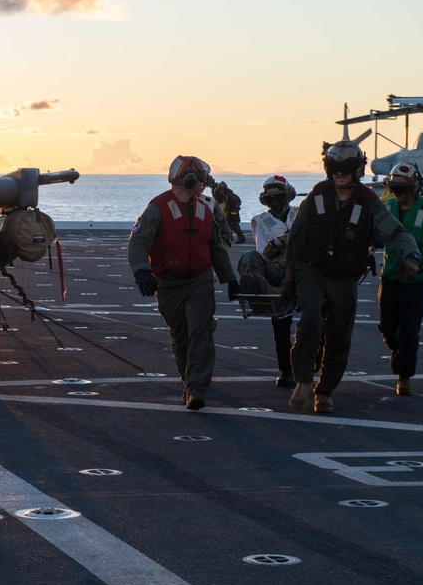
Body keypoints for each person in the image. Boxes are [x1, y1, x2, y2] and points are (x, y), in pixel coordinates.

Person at [283, 140, 421, 414]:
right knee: (310, 321)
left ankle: (325, 391)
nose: (340, 174)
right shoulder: (317, 194)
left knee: (339, 334)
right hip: (312, 270)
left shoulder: (369, 202)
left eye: (346, 169)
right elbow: (297, 234)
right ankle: (303, 382)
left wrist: (410, 256)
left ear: (357, 170)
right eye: (336, 169)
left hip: (344, 277)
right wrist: (289, 276)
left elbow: (394, 232)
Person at [128, 155, 240, 410]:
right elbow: (138, 241)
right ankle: (188, 382)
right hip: (168, 283)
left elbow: (215, 247)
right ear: (191, 180)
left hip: (200, 280)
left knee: (200, 332)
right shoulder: (157, 208)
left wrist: (230, 279)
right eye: (202, 180)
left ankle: (197, 388)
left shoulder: (205, 209)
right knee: (180, 337)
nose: (204, 185)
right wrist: (142, 272)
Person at [377, 162, 423, 395]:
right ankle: (397, 349)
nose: (397, 194)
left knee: (409, 331)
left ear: (414, 188)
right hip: (391, 277)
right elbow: (373, 234)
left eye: (401, 189)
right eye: (393, 188)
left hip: (418, 281)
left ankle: (404, 377)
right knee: (388, 328)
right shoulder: (387, 207)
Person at [237, 175, 298, 387]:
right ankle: (287, 370)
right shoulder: (260, 221)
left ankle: (274, 290)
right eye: (270, 197)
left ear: (288, 195)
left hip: (302, 268)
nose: (275, 201)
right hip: (277, 268)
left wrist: (282, 241)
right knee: (248, 258)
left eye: (278, 196)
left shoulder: (301, 214)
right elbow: (263, 253)